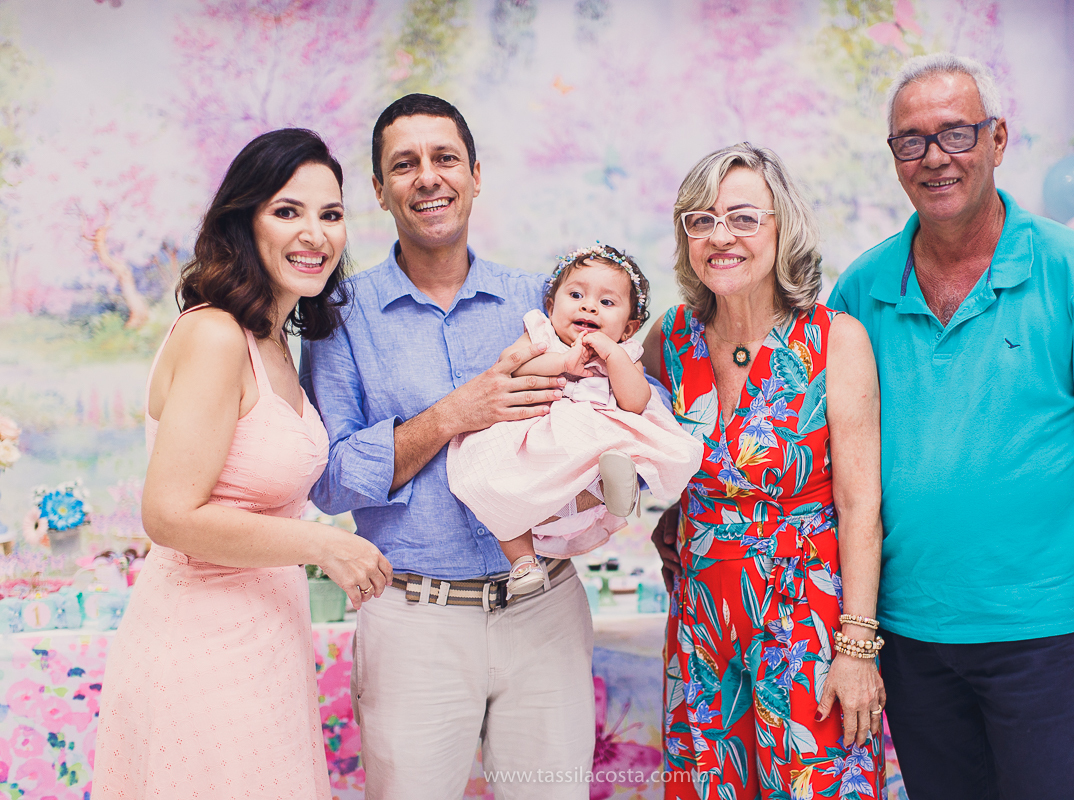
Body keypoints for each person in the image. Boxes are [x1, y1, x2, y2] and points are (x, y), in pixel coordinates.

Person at [826, 53, 1074, 799]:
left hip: (1029, 630)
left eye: (955, 133)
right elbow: (825, 448)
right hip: (905, 628)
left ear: (997, 139)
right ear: (894, 159)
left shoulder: (1073, 271)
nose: (935, 157)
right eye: (911, 141)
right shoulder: (861, 289)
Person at [300, 94, 609, 799]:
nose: (427, 177)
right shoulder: (340, 319)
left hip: (544, 611)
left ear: (475, 173)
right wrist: (450, 416)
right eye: (404, 165)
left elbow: (596, 410)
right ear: (379, 191)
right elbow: (333, 481)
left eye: (444, 159)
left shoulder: (540, 299)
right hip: (414, 621)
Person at [92, 129, 393, 799]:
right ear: (242, 220)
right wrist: (321, 543)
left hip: (267, 645)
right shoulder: (215, 333)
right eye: (287, 210)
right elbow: (169, 515)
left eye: (331, 214)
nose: (314, 232)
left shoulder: (276, 342)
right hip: (199, 650)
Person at [643, 143, 887, 799]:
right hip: (701, 623)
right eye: (701, 220)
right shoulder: (668, 339)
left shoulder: (835, 340)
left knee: (817, 785)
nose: (720, 236)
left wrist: (858, 648)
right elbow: (638, 444)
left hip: (805, 618)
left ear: (783, 228)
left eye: (743, 218)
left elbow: (861, 507)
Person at [447, 243, 702, 592]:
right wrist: (564, 362)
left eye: (607, 302)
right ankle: (522, 562)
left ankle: (609, 488)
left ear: (628, 328)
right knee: (496, 481)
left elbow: (636, 402)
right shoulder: (542, 334)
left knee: (627, 446)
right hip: (536, 437)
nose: (588, 305)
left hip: (589, 440)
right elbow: (514, 363)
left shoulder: (624, 354)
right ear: (551, 306)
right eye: (576, 294)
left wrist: (613, 357)